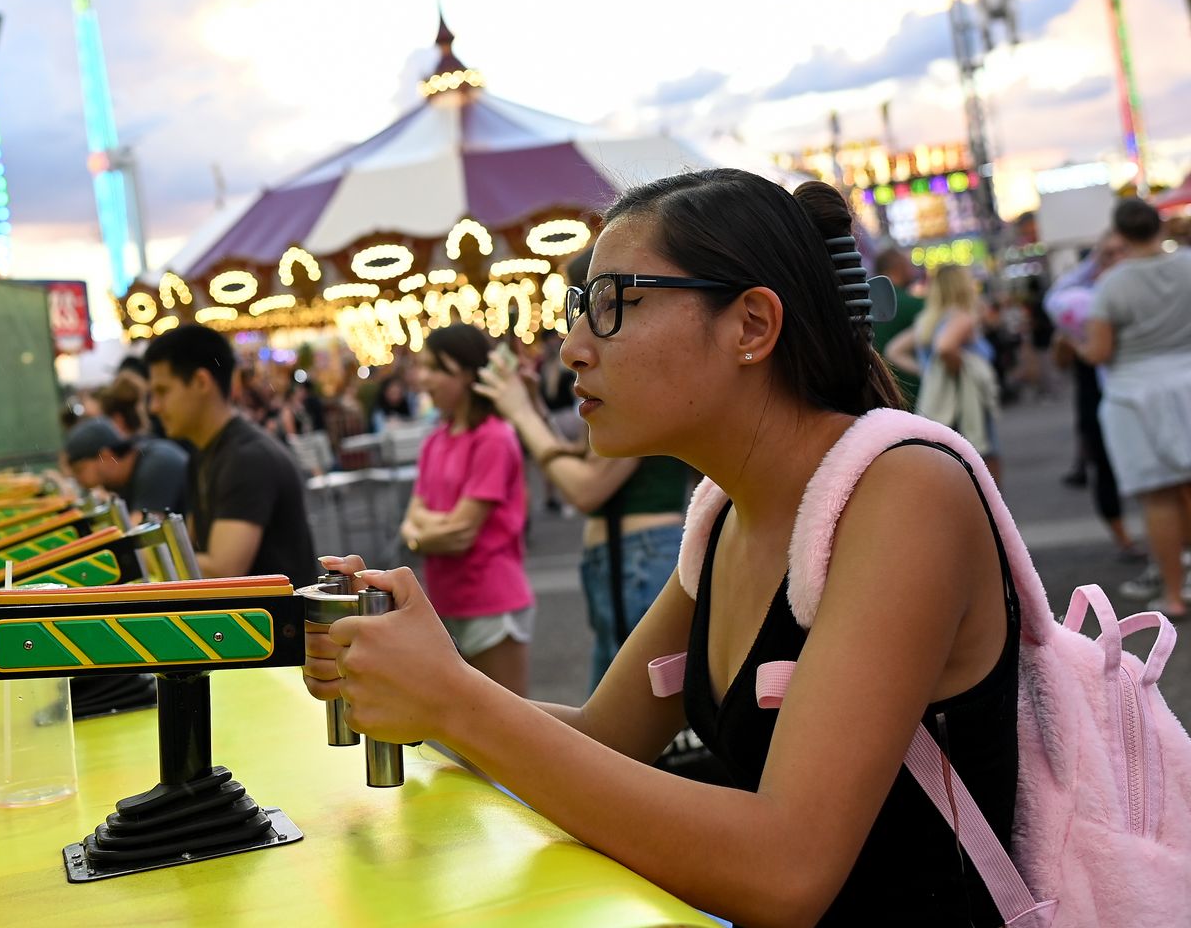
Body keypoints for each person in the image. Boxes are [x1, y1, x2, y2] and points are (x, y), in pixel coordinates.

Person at [303, 170, 1024, 924]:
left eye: (615, 304)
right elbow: (604, 739)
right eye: (580, 307)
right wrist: (412, 686)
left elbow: (787, 870)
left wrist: (455, 702)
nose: (573, 348)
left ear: (751, 326)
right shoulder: (724, 518)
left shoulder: (905, 491)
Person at [477, 249, 691, 689]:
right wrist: (533, 405)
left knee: (632, 722)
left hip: (641, 554)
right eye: (579, 308)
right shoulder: (628, 390)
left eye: (602, 307)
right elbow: (585, 455)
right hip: (623, 557)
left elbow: (588, 487)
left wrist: (523, 415)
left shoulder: (649, 389)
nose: (575, 343)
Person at [398, 324, 532, 695]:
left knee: (506, 727)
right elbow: (413, 520)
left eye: (437, 368)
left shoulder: (493, 436)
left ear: (469, 374)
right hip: (444, 601)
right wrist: (422, 532)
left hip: (491, 599)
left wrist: (417, 534)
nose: (424, 378)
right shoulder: (435, 440)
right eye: (423, 367)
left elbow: (460, 532)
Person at [1083, 197, 1191, 618]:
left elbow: (1100, 351)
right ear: (1158, 225)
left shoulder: (1113, 284)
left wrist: (1075, 345)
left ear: (1121, 234)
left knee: (1158, 499)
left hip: (1135, 395)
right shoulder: (1187, 265)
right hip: (1187, 381)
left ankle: (1173, 596)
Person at [144, 325, 317, 586]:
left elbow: (222, 571)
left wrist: (133, 549)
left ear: (202, 382)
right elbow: (192, 549)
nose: (153, 407)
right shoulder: (201, 455)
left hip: (273, 623)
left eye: (162, 391)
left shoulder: (248, 458)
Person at [1045, 234, 1149, 576]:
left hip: (1144, 395)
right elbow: (1063, 357)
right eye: (1107, 253)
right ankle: (1126, 541)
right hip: (1097, 398)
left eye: (1121, 249)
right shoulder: (1082, 302)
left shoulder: (1145, 290)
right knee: (1105, 468)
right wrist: (1074, 345)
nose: (1116, 257)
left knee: (1157, 475)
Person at [885, 264, 1002, 480]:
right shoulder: (962, 317)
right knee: (984, 466)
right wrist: (957, 369)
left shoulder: (927, 321)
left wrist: (929, 372)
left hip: (939, 406)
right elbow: (946, 347)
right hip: (966, 404)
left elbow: (894, 350)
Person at [62, 418, 190, 521]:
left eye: (79, 470)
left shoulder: (157, 463)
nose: (77, 479)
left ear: (105, 456)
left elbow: (142, 539)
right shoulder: (124, 477)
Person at [868, 247, 924, 407]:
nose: (912, 269)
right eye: (909, 265)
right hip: (916, 394)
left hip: (882, 396)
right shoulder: (914, 304)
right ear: (898, 267)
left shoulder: (863, 305)